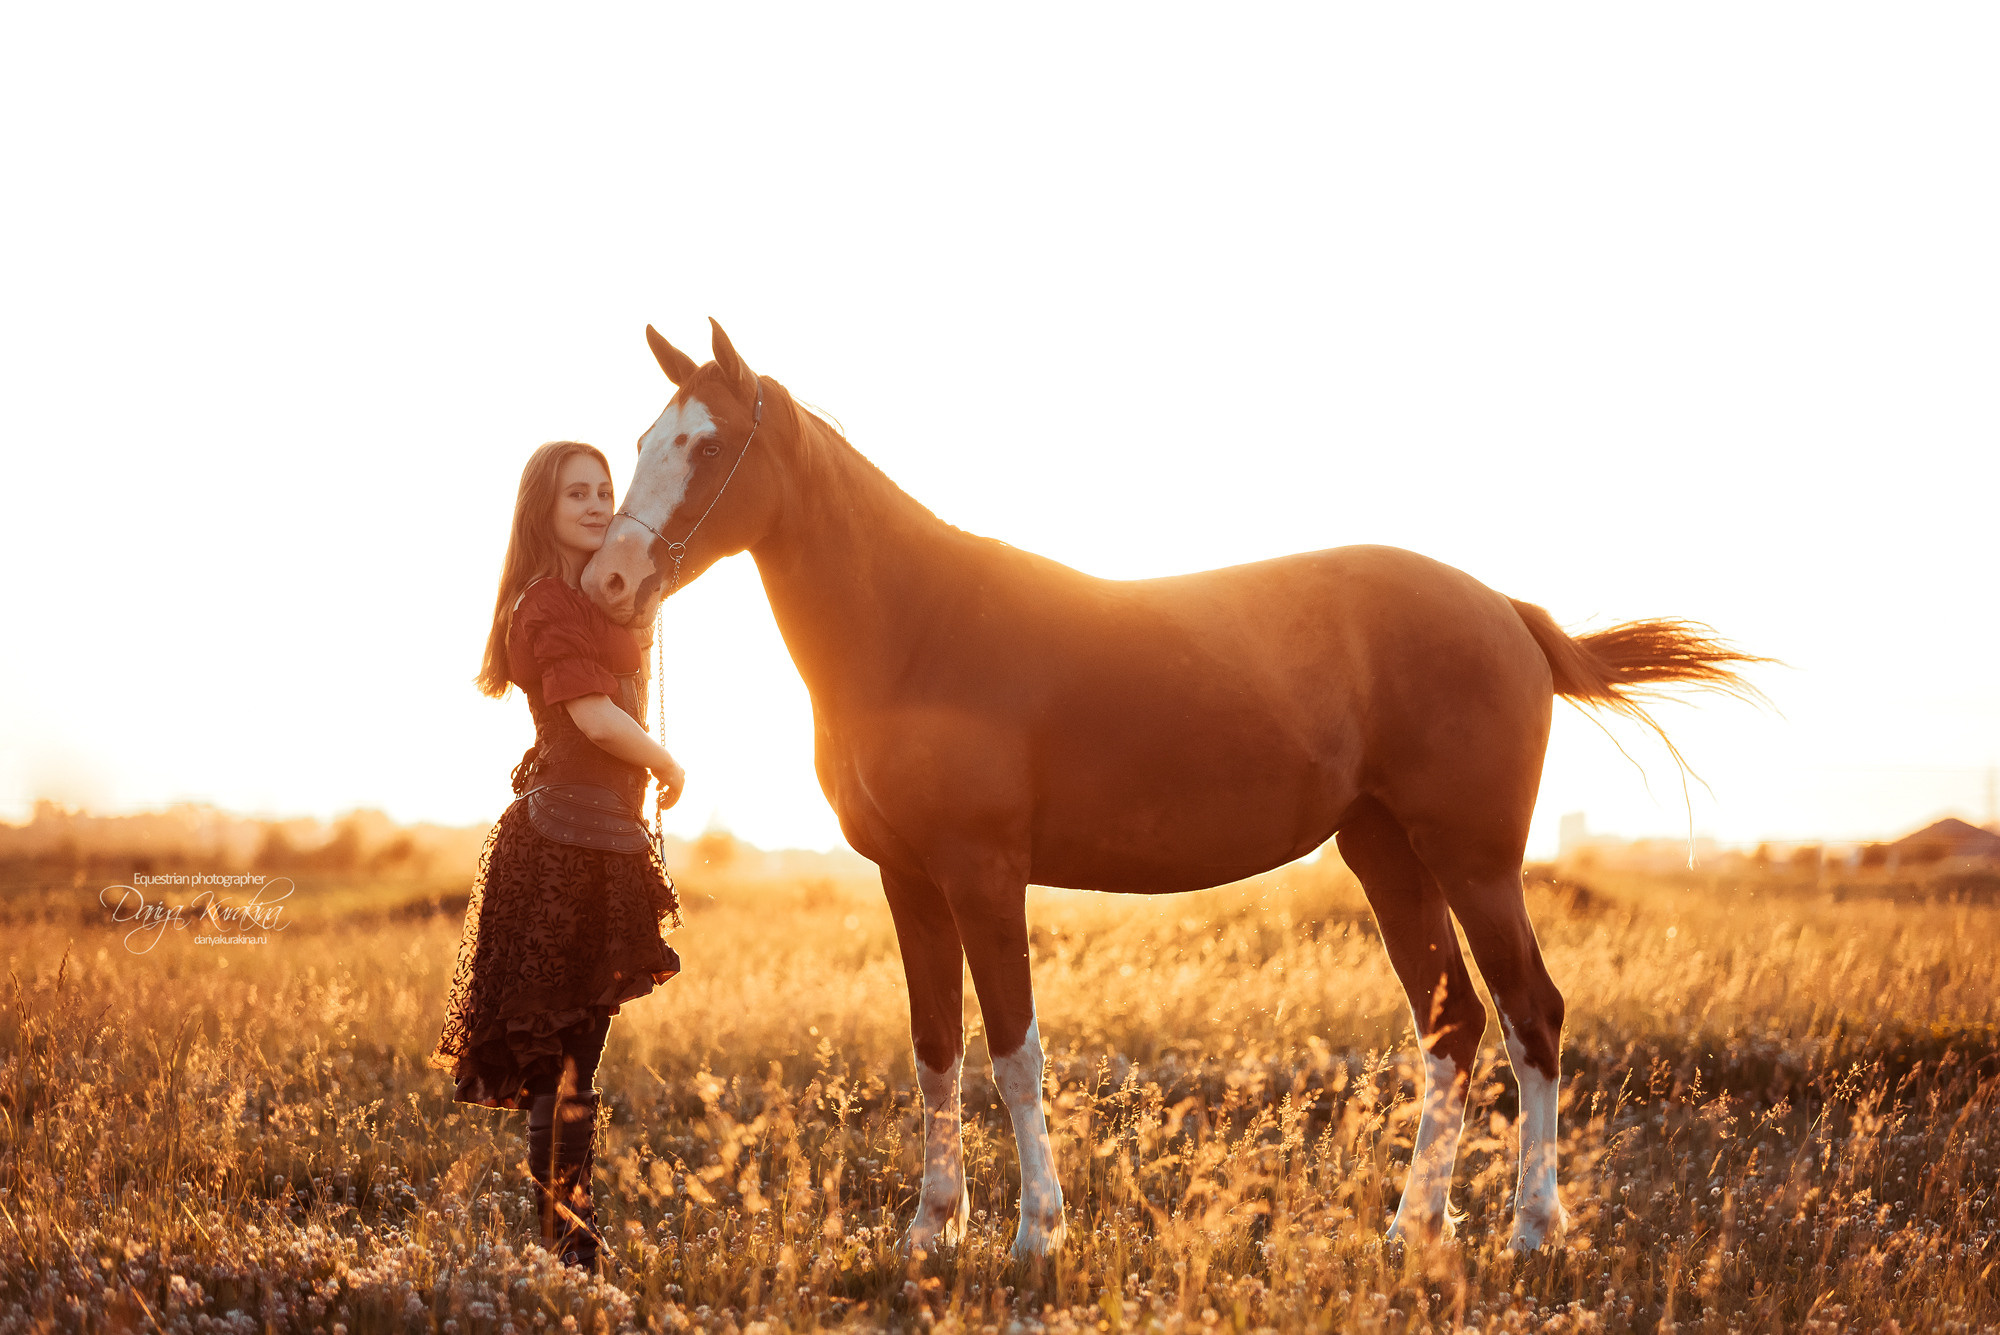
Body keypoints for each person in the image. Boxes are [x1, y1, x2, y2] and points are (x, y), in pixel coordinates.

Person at [427, 439, 688, 1275]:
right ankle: (567, 1246)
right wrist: (666, 760)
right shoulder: (541, 604)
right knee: (558, 1059)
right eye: (577, 491)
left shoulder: (593, 606)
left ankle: (570, 1240)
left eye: (604, 489)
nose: (596, 502)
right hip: (556, 850)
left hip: (605, 846)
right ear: (543, 508)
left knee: (582, 1058)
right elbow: (593, 719)